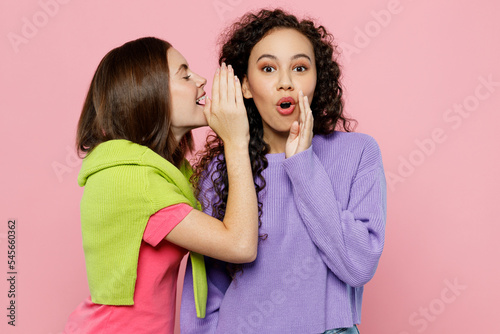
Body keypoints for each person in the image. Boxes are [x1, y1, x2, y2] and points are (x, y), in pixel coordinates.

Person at [181, 9, 387, 334]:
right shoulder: (222, 169)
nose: (286, 83)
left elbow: (358, 264)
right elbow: (205, 289)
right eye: (268, 68)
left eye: (300, 68)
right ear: (246, 86)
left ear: (318, 78)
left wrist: (302, 165)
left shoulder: (358, 153)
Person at [63, 36, 258, 334]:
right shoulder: (134, 180)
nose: (202, 80)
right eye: (185, 73)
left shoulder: (158, 173)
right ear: (148, 94)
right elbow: (240, 245)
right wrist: (235, 140)